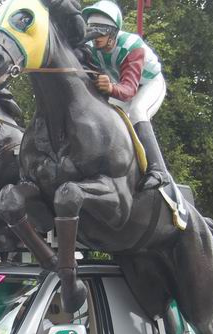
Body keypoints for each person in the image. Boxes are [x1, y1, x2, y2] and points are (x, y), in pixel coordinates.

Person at [81, 1, 175, 193]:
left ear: (114, 32)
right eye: (92, 30)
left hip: (148, 85)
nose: (96, 36)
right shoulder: (91, 48)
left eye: (102, 31)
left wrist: (109, 86)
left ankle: (158, 170)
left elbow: (129, 90)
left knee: (137, 111)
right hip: (120, 86)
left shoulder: (132, 46)